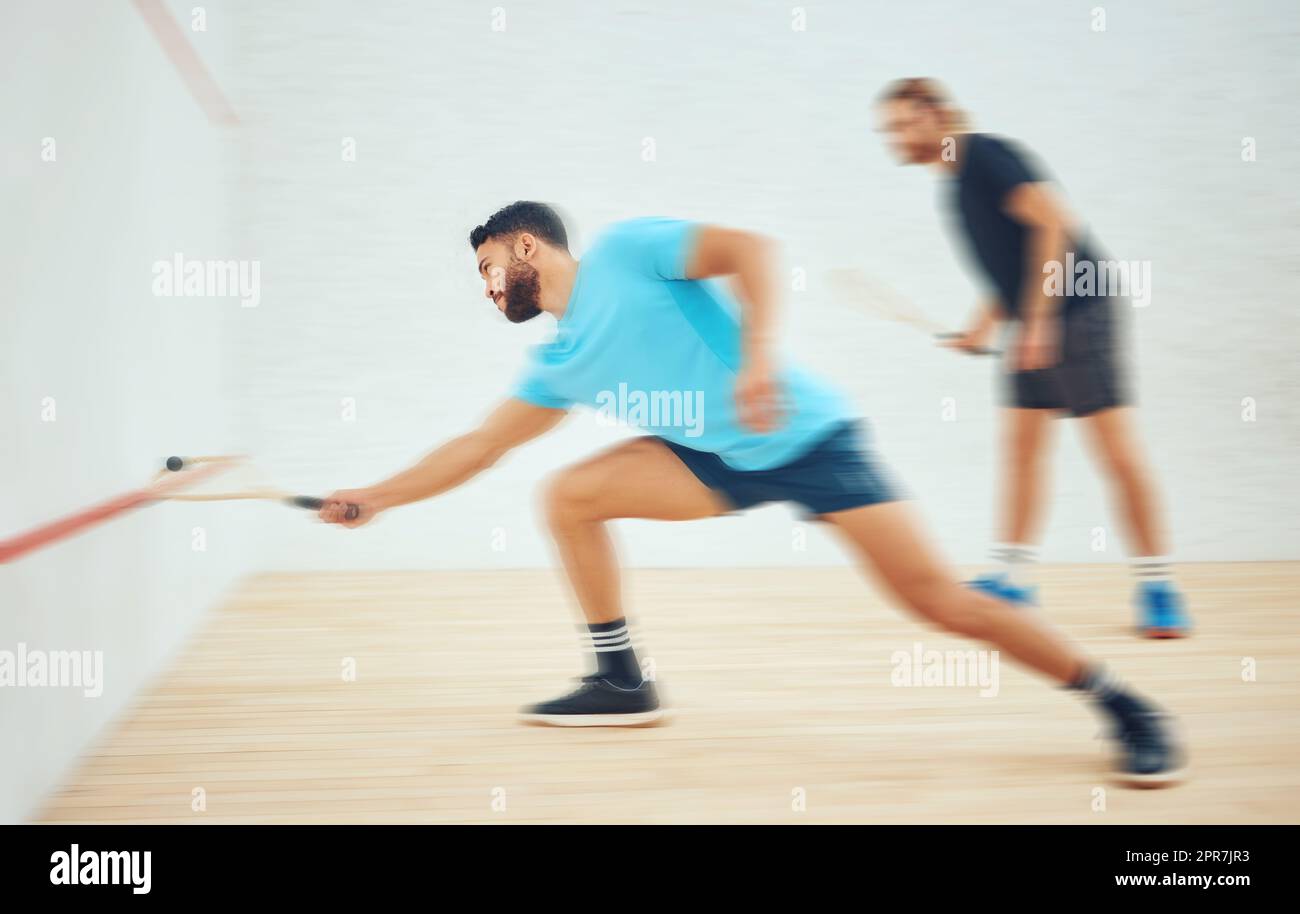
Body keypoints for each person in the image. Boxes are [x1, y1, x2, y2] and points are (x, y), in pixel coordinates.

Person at [319, 200, 1183, 785]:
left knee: (941, 603)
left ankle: (1119, 701)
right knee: (567, 496)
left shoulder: (629, 252)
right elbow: (478, 447)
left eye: (486, 266)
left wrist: (761, 356)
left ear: (526, 247)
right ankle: (621, 682)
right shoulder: (556, 361)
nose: (486, 286)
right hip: (713, 459)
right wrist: (379, 496)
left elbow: (753, 253)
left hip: (810, 438)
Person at [876, 78, 1190, 638]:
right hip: (1037, 316)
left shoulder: (985, 155)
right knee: (1021, 447)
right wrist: (982, 328)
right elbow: (1013, 264)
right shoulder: (954, 183)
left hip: (1080, 309)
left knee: (1115, 452)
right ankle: (1014, 579)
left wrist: (1041, 322)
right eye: (888, 129)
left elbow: (1055, 224)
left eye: (902, 124)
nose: (892, 137)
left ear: (936, 114)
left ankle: (1159, 587)